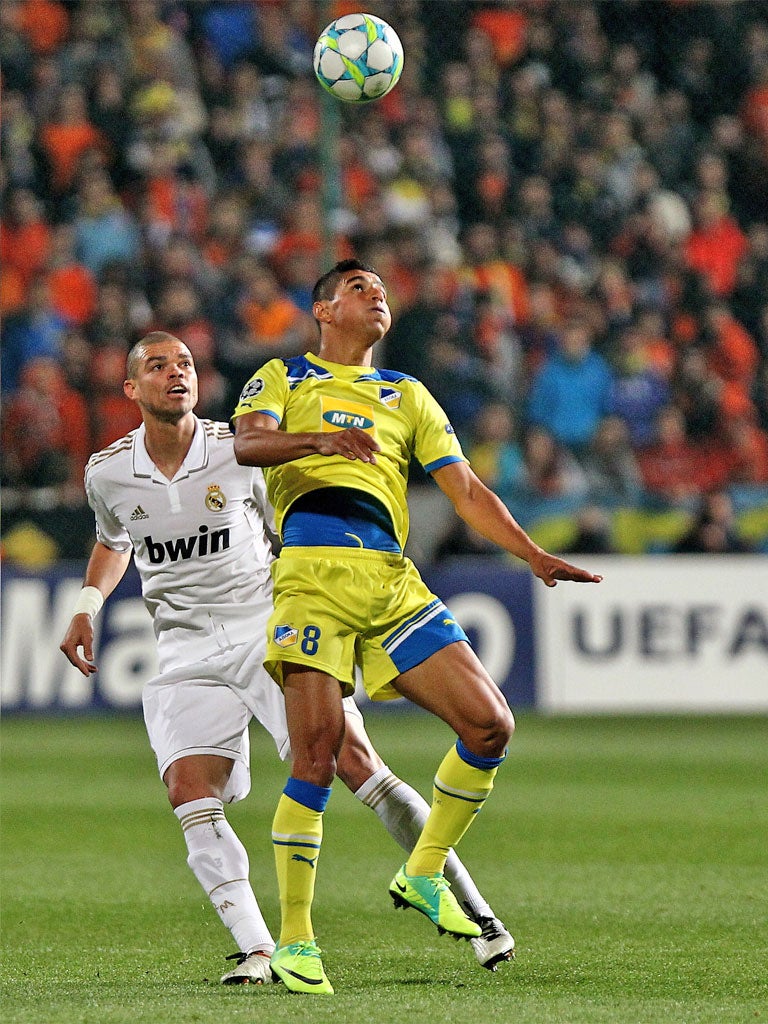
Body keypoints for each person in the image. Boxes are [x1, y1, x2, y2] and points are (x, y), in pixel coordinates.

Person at [59, 330, 515, 989]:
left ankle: (479, 914)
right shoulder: (107, 470)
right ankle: (259, 952)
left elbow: (298, 517)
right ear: (132, 388)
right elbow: (113, 541)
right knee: (189, 792)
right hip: (184, 649)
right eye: (157, 366)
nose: (175, 373)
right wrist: (87, 604)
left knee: (357, 765)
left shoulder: (239, 452)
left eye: (184, 363)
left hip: (269, 628)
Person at [231, 259, 603, 994]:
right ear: (324, 309)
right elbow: (245, 443)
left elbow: (463, 488)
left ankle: (423, 871)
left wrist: (529, 552)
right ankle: (297, 943)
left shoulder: (407, 394)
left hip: (392, 581)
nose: (378, 297)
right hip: (312, 576)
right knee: (315, 758)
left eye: (382, 290)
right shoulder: (283, 376)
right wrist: (321, 444)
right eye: (360, 288)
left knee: (490, 725)